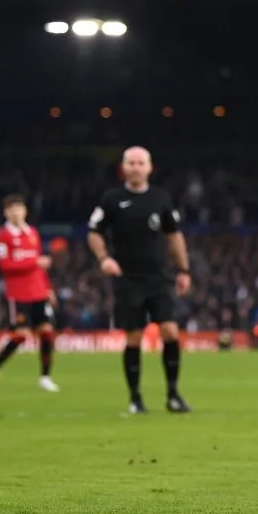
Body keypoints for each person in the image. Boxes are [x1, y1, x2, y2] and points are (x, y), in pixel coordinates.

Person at [87, 146, 193, 414]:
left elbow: (174, 235)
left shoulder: (161, 198)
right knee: (134, 336)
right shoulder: (111, 199)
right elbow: (94, 232)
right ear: (123, 167)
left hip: (159, 277)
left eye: (140, 163)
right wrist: (104, 259)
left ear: (149, 167)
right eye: (131, 163)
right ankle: (135, 398)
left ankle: (173, 395)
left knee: (170, 331)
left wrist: (183, 270)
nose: (135, 167)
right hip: (128, 278)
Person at [0, 194, 60, 393]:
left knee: (47, 332)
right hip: (18, 293)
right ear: (6, 213)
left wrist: (48, 288)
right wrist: (33, 262)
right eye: (12, 209)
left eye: (19, 209)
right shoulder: (1, 236)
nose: (16, 213)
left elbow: (39, 267)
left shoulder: (32, 233)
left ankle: (45, 377)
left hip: (39, 291)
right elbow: (5, 265)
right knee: (21, 335)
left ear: (25, 211)